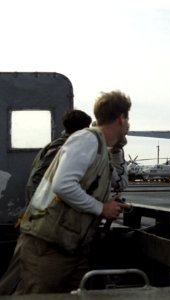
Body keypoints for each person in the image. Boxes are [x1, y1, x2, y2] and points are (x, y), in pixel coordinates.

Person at [15, 90, 131, 294]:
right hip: (50, 247)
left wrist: (116, 152)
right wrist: (101, 208)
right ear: (121, 118)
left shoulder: (99, 148)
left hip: (71, 247)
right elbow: (63, 185)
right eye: (128, 118)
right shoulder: (87, 139)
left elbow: (119, 183)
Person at [0, 109, 92, 295]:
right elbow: (38, 180)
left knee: (21, 273)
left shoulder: (55, 145)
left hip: (36, 218)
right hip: (40, 221)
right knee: (23, 276)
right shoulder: (61, 148)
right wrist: (42, 212)